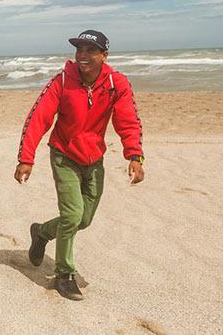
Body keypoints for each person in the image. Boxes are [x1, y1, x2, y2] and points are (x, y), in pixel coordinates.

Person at [15, 30, 145, 301]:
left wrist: (135, 155)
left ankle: (41, 232)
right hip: (64, 156)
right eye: (79, 50)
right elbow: (38, 118)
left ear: (104, 55)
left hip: (94, 159)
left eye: (90, 50)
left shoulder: (116, 83)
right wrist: (26, 158)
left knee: (83, 220)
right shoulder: (62, 81)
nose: (83, 55)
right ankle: (64, 274)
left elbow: (128, 120)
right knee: (73, 215)